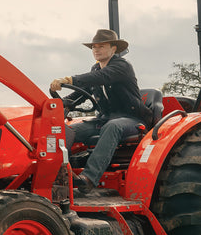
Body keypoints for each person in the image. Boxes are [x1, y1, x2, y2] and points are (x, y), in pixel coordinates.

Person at [49, 28, 146, 193]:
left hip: (131, 119)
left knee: (113, 126)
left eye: (101, 46)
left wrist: (69, 79)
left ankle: (88, 178)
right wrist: (60, 103)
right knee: (63, 130)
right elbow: (80, 93)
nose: (96, 49)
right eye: (94, 47)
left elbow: (102, 77)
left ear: (113, 49)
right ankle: (60, 175)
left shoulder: (122, 66)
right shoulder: (95, 70)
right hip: (104, 119)